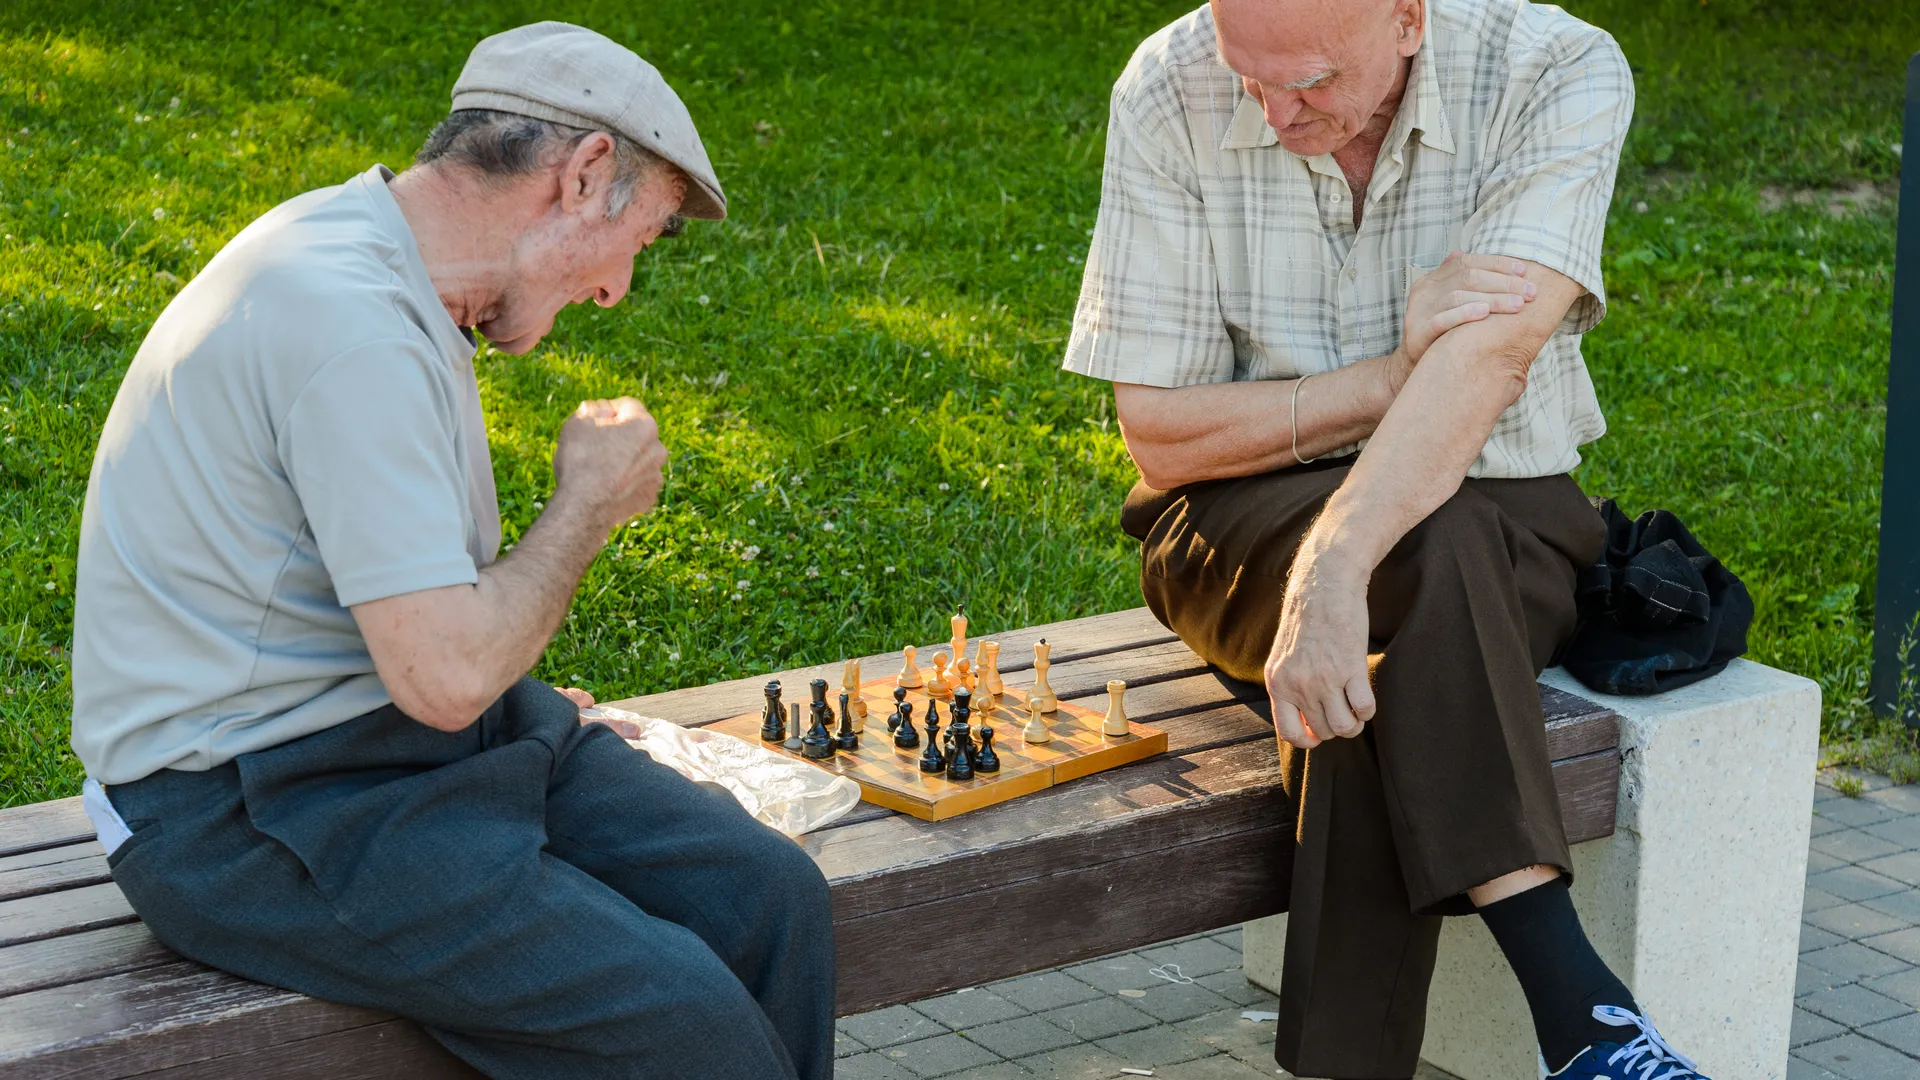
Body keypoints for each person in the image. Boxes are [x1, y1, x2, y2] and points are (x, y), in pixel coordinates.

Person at [70, 22, 834, 1080]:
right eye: (642, 241)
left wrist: (495, 677)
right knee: (686, 1026)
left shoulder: (379, 262)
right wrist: (587, 504)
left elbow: (433, 654)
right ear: (585, 175)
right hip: (243, 807)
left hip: (399, 743)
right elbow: (447, 675)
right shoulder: (350, 324)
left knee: (768, 899)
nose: (615, 289)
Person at [1064, 1, 1713, 1078]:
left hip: (1506, 507)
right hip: (1232, 520)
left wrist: (1337, 572)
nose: (1275, 113)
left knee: (1423, 559)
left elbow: (1491, 365)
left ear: (1408, 17)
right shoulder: (1168, 84)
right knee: (1423, 563)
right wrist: (1391, 381)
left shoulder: (1554, 68)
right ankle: (1583, 1015)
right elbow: (1162, 436)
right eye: (1251, 78)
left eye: (1309, 81)